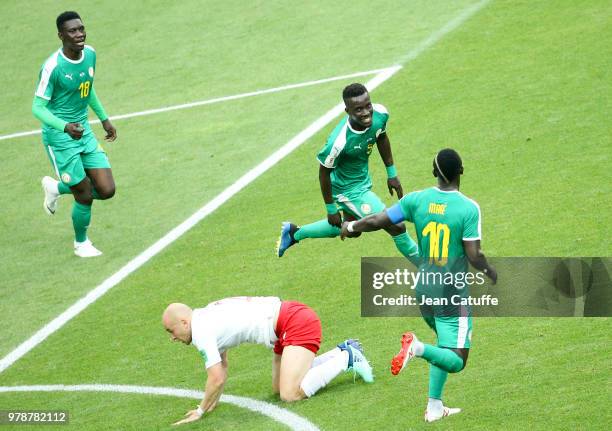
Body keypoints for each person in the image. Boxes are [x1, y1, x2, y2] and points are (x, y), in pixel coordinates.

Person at [340, 148, 497, 422]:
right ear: (461, 171)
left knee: (444, 344)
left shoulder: (416, 200)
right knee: (457, 359)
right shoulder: (468, 208)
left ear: (434, 172)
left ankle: (434, 407)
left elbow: (378, 220)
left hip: (424, 288)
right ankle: (416, 348)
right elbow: (474, 255)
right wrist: (488, 269)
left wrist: (351, 227)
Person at [162, 297, 373, 426]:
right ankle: (341, 351)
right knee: (278, 387)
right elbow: (222, 366)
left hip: (294, 322)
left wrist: (200, 411)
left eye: (171, 331)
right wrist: (212, 403)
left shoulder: (201, 331)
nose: (172, 337)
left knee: (289, 394)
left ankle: (347, 358)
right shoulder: (204, 315)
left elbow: (216, 377)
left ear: (184, 322)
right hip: (285, 323)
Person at [276, 83, 418, 264]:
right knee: (395, 225)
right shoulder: (338, 142)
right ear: (347, 110)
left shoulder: (380, 114)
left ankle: (294, 233)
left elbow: (381, 136)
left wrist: (392, 173)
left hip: (362, 181)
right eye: (358, 109)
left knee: (354, 229)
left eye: (368, 106)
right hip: (346, 190)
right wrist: (330, 208)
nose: (366, 112)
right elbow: (323, 174)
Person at [32, 11, 117, 257]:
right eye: (72, 31)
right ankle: (81, 244)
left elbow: (86, 88)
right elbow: (37, 107)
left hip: (84, 132)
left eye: (81, 28)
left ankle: (56, 187)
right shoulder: (52, 67)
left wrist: (104, 118)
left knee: (106, 189)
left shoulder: (90, 54)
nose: (79, 34)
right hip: (60, 138)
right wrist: (64, 127)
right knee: (83, 192)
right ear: (61, 35)